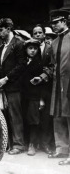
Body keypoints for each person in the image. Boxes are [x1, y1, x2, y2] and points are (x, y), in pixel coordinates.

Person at [43, 9, 70, 165]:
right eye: (52, 23)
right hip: (57, 85)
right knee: (58, 116)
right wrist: (44, 76)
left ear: (64, 21)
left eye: (56, 22)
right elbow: (52, 66)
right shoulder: (53, 43)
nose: (53, 25)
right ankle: (62, 149)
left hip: (69, 84)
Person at [0, 18, 26, 155]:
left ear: (8, 29)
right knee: (6, 115)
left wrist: (6, 79)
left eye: (1, 30)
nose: (0, 33)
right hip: (5, 87)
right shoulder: (2, 47)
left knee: (15, 116)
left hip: (14, 86)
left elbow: (21, 65)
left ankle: (19, 145)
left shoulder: (19, 44)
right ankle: (9, 144)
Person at [32, 24, 55, 154]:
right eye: (35, 33)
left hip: (46, 86)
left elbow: (52, 66)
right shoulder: (29, 49)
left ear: (44, 34)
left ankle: (45, 143)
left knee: (46, 117)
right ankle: (33, 143)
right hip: (33, 87)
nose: (38, 35)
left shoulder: (49, 49)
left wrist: (44, 75)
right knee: (33, 116)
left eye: (40, 33)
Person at [20, 39, 43, 156]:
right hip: (24, 95)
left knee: (33, 120)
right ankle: (26, 142)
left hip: (35, 96)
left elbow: (43, 83)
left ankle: (32, 144)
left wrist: (42, 99)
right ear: (26, 50)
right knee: (25, 118)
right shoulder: (23, 62)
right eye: (30, 48)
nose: (33, 51)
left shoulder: (40, 63)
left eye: (35, 48)